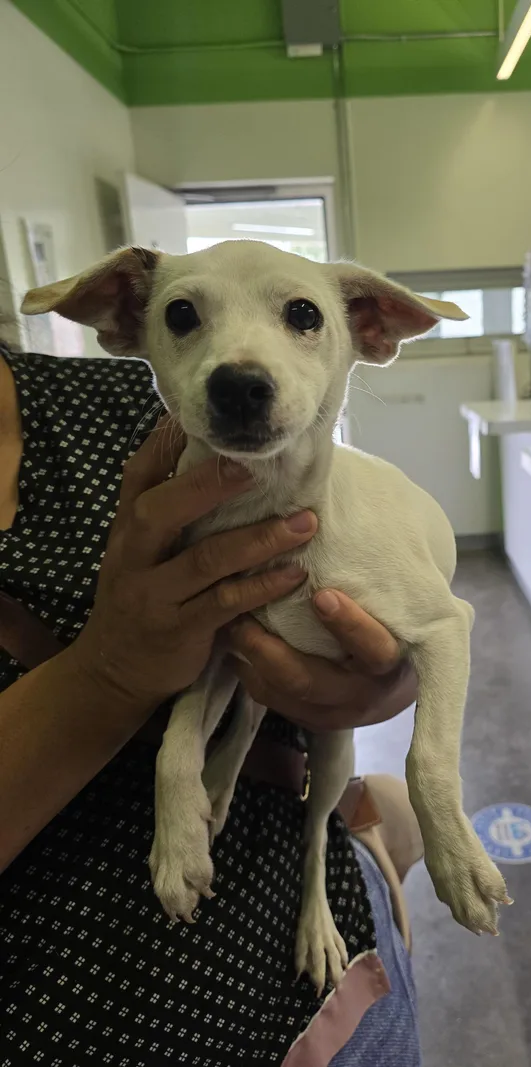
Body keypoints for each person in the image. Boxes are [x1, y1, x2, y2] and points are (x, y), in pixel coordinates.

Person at [0, 342, 423, 1067]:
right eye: (187, 319)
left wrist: (390, 669)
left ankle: (364, 839)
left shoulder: (154, 406)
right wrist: (105, 674)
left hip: (336, 985)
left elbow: (354, 613)